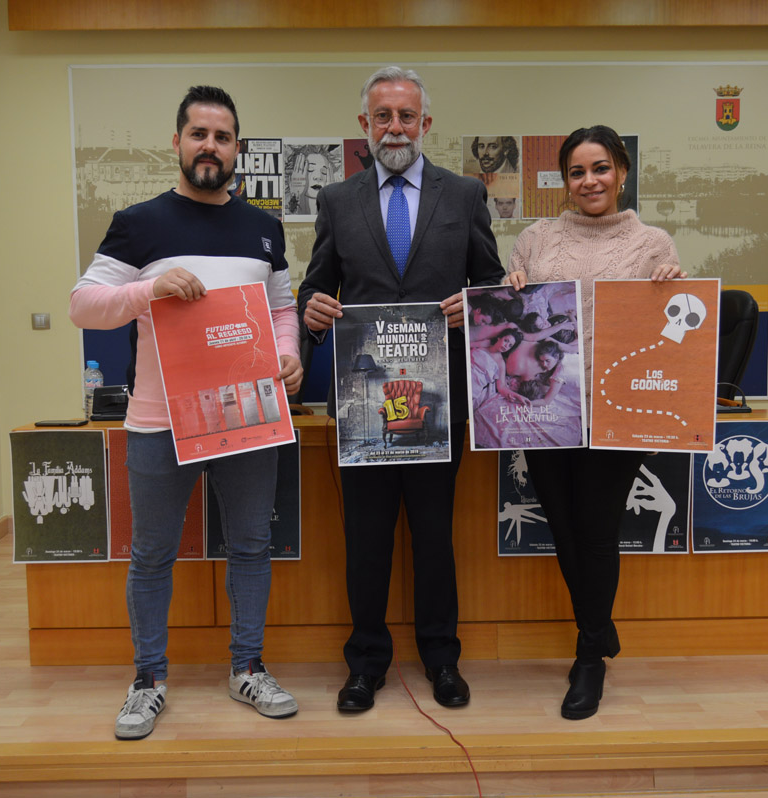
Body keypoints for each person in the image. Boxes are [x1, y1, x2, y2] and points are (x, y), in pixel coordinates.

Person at [69, 86, 304, 740]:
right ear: (177, 142)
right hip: (158, 423)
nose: (210, 146)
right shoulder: (139, 222)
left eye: (223, 136)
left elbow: (282, 310)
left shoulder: (264, 227)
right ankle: (148, 680)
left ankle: (247, 668)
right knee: (152, 553)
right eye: (198, 133)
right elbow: (83, 305)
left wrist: (290, 355)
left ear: (236, 149)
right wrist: (150, 288)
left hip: (249, 417)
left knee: (253, 545)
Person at [299, 66, 504, 712]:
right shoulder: (338, 201)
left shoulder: (466, 195)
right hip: (364, 404)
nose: (395, 127)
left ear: (425, 125)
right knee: (366, 541)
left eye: (406, 116)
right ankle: (366, 665)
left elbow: (494, 290)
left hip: (439, 405)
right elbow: (315, 285)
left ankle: (443, 661)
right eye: (382, 115)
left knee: (434, 539)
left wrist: (473, 307)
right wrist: (311, 309)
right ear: (364, 125)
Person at [505, 125, 686, 720]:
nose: (590, 181)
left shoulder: (653, 244)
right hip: (546, 409)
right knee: (561, 524)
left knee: (598, 529)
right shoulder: (534, 240)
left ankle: (589, 657)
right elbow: (516, 320)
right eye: (578, 171)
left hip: (615, 411)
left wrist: (672, 292)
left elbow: (673, 330)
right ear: (564, 180)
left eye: (601, 168)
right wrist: (509, 292)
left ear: (623, 172)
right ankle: (600, 628)